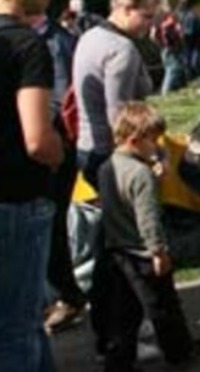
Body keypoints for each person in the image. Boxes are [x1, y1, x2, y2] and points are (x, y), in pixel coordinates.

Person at [96, 102, 200, 372]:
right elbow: (148, 217)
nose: (156, 146)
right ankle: (180, 352)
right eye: (152, 140)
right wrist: (158, 251)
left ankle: (117, 368)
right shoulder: (140, 175)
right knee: (163, 306)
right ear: (135, 139)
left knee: (124, 313)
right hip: (143, 251)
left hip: (118, 248)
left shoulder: (108, 167)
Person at [0, 0, 65, 372]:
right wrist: (61, 152)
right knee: (19, 327)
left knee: (26, 320)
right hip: (18, 200)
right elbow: (37, 138)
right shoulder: (26, 46)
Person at [72, 0, 156, 355]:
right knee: (128, 252)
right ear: (126, 8)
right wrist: (148, 158)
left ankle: (108, 331)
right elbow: (121, 118)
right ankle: (122, 336)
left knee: (111, 249)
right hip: (114, 156)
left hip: (90, 150)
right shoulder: (120, 49)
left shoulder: (90, 37)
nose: (150, 24)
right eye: (147, 15)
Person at [28, 2, 89, 332]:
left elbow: (62, 102)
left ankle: (64, 296)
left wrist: (35, 131)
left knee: (47, 228)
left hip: (50, 153)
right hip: (34, 149)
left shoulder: (55, 42)